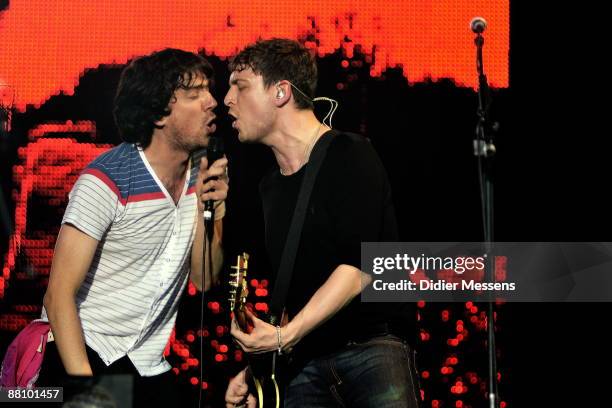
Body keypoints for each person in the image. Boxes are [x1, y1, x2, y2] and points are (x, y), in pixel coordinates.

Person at [224, 39, 419, 408]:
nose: (228, 99)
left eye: (241, 85)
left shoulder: (351, 153)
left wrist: (284, 337)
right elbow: (293, 293)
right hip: (305, 364)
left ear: (281, 92)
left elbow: (359, 267)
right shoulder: (269, 187)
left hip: (372, 352)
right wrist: (259, 372)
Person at [38, 48, 228, 406]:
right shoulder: (106, 180)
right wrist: (88, 391)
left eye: (209, 91)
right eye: (194, 95)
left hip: (145, 362)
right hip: (83, 352)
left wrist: (213, 211)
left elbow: (204, 279)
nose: (212, 103)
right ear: (158, 114)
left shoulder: (202, 175)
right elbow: (57, 295)